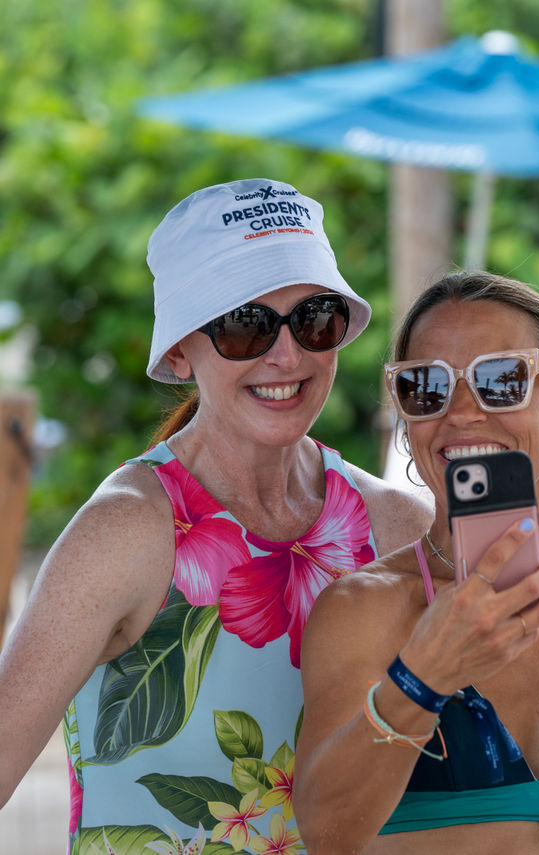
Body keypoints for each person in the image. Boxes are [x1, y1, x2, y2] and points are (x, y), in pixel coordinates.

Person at [0, 178, 432, 854]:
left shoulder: (398, 524)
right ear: (179, 351)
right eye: (243, 326)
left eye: (314, 317)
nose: (286, 355)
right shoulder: (129, 528)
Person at [293, 271, 539, 855]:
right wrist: (421, 679)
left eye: (502, 380)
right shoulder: (365, 608)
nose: (463, 413)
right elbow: (326, 834)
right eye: (425, 388)